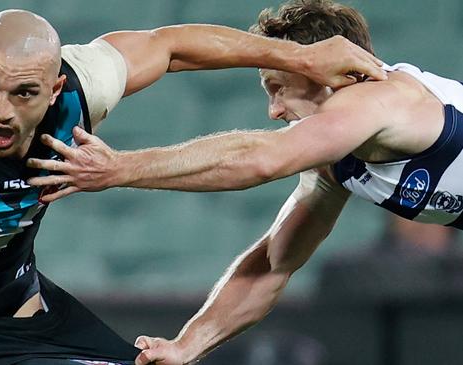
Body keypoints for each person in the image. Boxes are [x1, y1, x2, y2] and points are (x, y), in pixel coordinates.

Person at [0, 8, 382, 365]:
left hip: (14, 309)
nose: (2, 112)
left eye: (24, 93)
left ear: (56, 84)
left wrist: (300, 57)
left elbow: (172, 45)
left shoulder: (82, 93)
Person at [25, 0, 463, 363]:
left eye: (279, 87)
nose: (273, 110)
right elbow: (273, 264)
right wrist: (187, 345)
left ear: (336, 74)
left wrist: (122, 168)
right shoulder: (336, 162)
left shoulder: (382, 100)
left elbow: (263, 158)